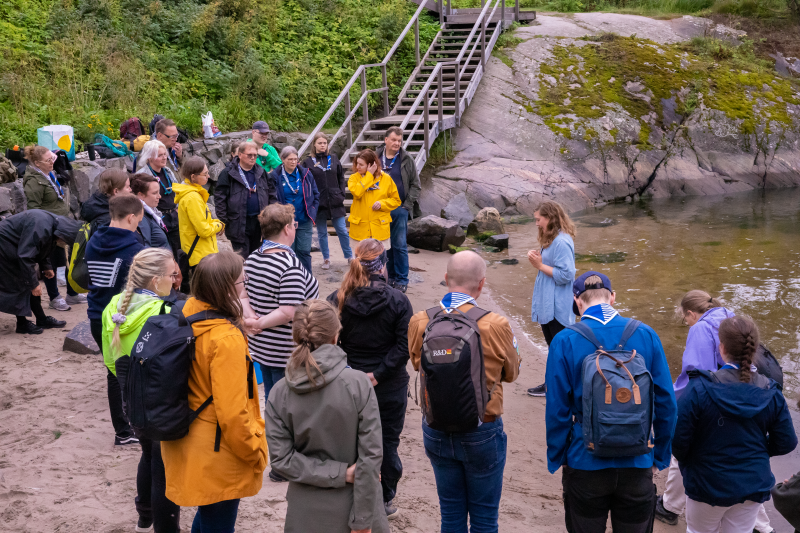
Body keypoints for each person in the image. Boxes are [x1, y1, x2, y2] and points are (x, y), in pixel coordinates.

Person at [545, 271, 677, 533]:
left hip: (585, 458)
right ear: (613, 297)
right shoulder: (646, 334)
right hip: (637, 460)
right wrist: (659, 456)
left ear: (576, 301)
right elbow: (666, 403)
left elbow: (557, 409)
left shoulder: (564, 340)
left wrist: (559, 456)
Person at [408, 250, 521, 532]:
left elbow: (417, 364)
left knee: (450, 514)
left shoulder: (420, 320)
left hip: (436, 426)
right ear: (482, 283)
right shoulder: (496, 324)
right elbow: (511, 374)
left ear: (446, 279)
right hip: (482, 429)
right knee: (484, 518)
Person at [161, 251, 268, 532]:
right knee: (218, 521)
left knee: (208, 515)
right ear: (227, 288)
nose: (245, 286)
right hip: (217, 449)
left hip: (184, 435)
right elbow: (233, 413)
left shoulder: (185, 312)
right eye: (242, 281)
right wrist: (254, 449)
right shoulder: (226, 339)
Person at [264, 299, 390, 533]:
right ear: (335, 336)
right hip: (355, 508)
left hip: (305, 515)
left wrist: (338, 473)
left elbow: (282, 461)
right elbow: (371, 456)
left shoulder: (279, 392)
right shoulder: (358, 384)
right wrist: (362, 521)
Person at [673, 316, 797, 533]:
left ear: (721, 348)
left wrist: (693, 461)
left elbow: (678, 442)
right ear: (755, 349)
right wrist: (759, 450)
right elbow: (786, 442)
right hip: (752, 483)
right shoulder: (771, 392)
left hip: (706, 483)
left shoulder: (699, 388)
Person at [327, 238, 413, 518]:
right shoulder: (399, 300)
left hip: (347, 382)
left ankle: (350, 492)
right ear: (383, 265)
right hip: (388, 384)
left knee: (348, 439)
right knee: (387, 442)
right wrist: (378, 375)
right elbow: (404, 347)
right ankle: (384, 499)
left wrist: (348, 370)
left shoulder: (338, 298)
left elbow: (328, 342)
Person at [101, 248, 180, 533]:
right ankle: (165, 527)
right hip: (160, 401)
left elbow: (110, 360)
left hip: (131, 398)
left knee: (147, 455)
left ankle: (144, 517)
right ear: (156, 280)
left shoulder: (113, 307)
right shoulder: (164, 312)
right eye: (172, 274)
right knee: (163, 466)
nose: (176, 279)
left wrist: (128, 385)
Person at [241, 203, 319, 482]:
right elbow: (289, 311)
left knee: (274, 404)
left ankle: (279, 460)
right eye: (294, 224)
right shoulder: (289, 265)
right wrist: (259, 323)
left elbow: (243, 295)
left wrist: (250, 319)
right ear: (287, 229)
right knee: (288, 408)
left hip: (262, 347)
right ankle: (283, 463)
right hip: (286, 350)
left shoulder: (253, 258)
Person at [656, 289, 736, 525]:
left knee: (683, 451)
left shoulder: (700, 328)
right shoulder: (730, 317)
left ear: (691, 313)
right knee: (736, 455)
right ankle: (762, 526)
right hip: (739, 395)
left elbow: (695, 373)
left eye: (685, 319)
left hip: (712, 400)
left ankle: (669, 507)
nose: (687, 323)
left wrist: (671, 399)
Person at [85, 194, 145, 446]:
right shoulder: (135, 250)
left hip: (97, 314)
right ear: (131, 217)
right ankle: (126, 429)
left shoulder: (93, 240)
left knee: (113, 372)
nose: (139, 225)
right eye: (139, 220)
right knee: (130, 373)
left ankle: (124, 429)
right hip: (125, 318)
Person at [22, 145, 84, 311]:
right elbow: (34, 210)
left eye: (52, 159)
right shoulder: (34, 181)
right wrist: (43, 230)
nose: (52, 162)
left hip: (60, 224)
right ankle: (54, 297)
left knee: (69, 259)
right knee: (50, 264)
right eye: (48, 160)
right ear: (37, 163)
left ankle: (72, 293)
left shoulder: (48, 173)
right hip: (49, 228)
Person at [527, 201, 577, 397]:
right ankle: (552, 385)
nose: (537, 223)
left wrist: (540, 265)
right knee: (554, 347)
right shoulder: (552, 239)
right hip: (549, 304)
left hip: (558, 306)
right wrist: (538, 258)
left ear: (550, 218)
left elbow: (567, 274)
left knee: (559, 348)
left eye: (538, 219)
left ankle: (558, 388)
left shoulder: (562, 242)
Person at [0, 210, 78, 334]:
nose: (64, 244)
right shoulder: (43, 227)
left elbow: (41, 246)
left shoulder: (55, 225)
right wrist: (33, 284)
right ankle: (22, 324)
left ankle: (41, 319)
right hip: (4, 244)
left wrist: (46, 266)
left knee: (28, 281)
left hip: (15, 245)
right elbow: (25, 256)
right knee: (21, 281)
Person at [376, 127, 421, 293]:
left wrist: (407, 206)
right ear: (386, 140)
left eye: (399, 141)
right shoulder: (375, 157)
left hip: (399, 209)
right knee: (384, 246)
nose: (397, 143)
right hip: (380, 209)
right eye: (394, 140)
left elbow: (416, 185)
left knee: (400, 245)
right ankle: (390, 277)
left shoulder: (406, 159)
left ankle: (402, 280)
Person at [214, 140, 277, 258]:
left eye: (255, 155)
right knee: (242, 259)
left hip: (259, 223)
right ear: (240, 155)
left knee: (258, 258)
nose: (253, 158)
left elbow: (272, 193)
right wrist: (225, 220)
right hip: (238, 223)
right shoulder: (228, 173)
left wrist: (270, 215)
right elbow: (220, 198)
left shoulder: (261, 172)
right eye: (249, 155)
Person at [302, 132, 352, 270]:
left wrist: (341, 194)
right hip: (319, 202)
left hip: (335, 201)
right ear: (314, 144)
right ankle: (326, 258)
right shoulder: (308, 162)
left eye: (325, 143)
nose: (322, 145)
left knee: (342, 229)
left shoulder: (334, 158)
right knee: (322, 233)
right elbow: (305, 182)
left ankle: (349, 256)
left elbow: (341, 177)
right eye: (320, 143)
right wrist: (311, 200)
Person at [269, 146, 319, 274]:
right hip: (285, 222)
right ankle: (289, 278)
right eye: (290, 159)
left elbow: (315, 195)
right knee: (288, 252)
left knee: (304, 252)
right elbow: (271, 198)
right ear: (283, 159)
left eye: (295, 159)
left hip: (304, 219)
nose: (293, 162)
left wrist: (312, 211)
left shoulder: (306, 174)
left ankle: (307, 279)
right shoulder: (274, 176)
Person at [347, 149, 401, 265]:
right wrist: (369, 175)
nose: (357, 167)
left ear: (371, 165)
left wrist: (382, 204)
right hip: (360, 230)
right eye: (356, 163)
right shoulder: (353, 178)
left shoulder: (386, 179)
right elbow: (357, 192)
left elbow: (396, 200)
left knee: (380, 264)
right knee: (360, 265)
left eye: (361, 164)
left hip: (379, 229)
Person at [173, 156, 224, 270]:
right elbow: (204, 230)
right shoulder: (192, 198)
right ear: (193, 177)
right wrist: (219, 225)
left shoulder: (191, 194)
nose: (208, 176)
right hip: (201, 256)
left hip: (201, 254)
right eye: (205, 174)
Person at [134, 140, 180, 257]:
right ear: (149, 157)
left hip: (174, 217)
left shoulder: (168, 171)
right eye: (160, 155)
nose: (164, 158)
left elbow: (177, 190)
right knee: (165, 252)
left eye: (165, 154)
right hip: (158, 218)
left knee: (178, 251)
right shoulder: (142, 176)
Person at [130, 174, 171, 250]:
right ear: (141, 195)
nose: (159, 196)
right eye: (154, 193)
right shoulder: (141, 218)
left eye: (159, 192)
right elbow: (145, 249)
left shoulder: (151, 213)